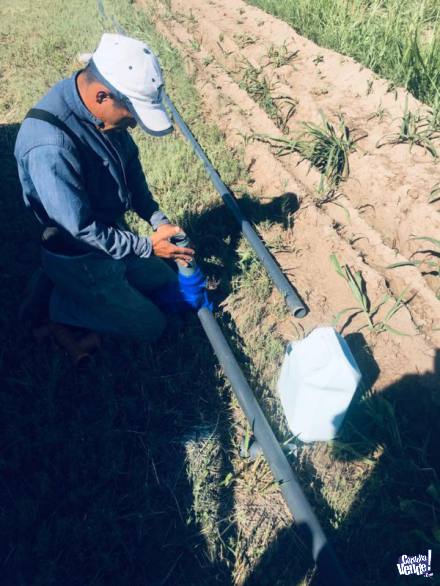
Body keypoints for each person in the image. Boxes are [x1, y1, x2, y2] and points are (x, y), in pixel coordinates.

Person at [14, 33, 194, 341]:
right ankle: (57, 302)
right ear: (102, 96)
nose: (134, 125)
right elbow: (81, 230)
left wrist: (156, 218)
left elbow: (130, 169)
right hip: (79, 254)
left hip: (110, 233)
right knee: (152, 327)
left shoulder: (101, 113)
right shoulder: (49, 146)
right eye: (131, 116)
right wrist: (148, 245)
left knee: (162, 280)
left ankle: (81, 287)